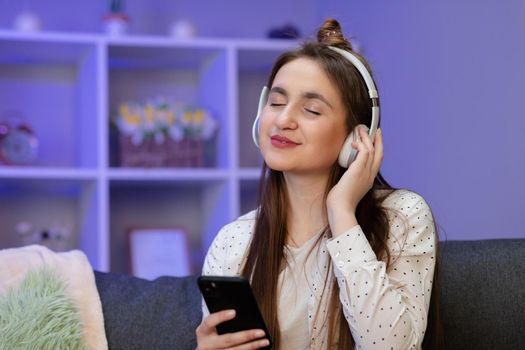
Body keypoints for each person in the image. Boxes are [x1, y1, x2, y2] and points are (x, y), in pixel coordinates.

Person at [196, 18, 442, 350]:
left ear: (359, 136)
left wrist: (341, 213)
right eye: (277, 103)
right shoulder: (233, 242)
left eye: (311, 110)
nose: (283, 120)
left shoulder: (402, 216)